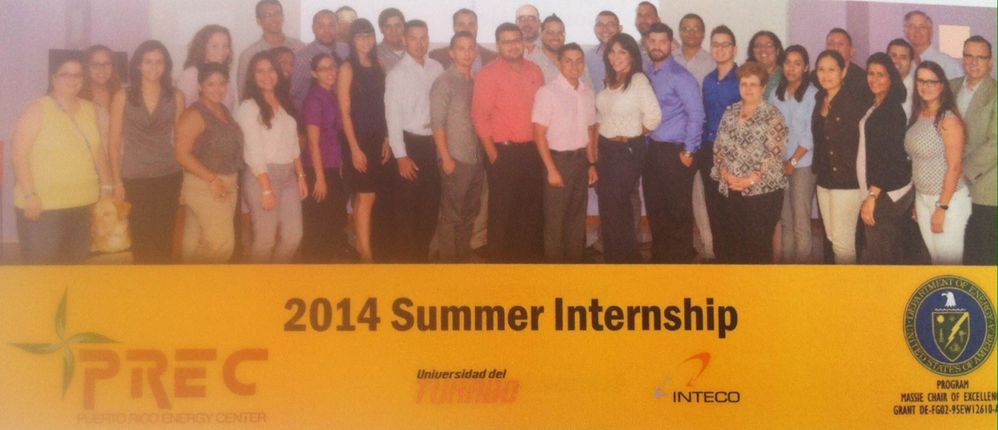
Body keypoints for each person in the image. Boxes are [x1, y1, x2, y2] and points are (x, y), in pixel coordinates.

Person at [12, 54, 114, 264]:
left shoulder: (89, 108)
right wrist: (30, 195)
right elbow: (18, 154)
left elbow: (98, 151)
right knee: (43, 272)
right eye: (65, 74)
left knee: (74, 270)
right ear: (53, 78)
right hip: (44, 206)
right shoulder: (37, 108)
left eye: (77, 75)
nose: (72, 79)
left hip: (83, 203)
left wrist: (107, 187)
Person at [472, 22, 545, 262]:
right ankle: (498, 266)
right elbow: (479, 117)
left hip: (532, 151)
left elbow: (542, 112)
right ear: (498, 45)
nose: (513, 46)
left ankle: (523, 264)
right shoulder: (488, 74)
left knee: (528, 211)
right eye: (506, 42)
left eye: (516, 40)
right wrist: (492, 154)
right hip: (502, 153)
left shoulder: (535, 71)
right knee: (502, 212)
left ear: (523, 42)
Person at [109, 40, 185, 264]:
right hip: (135, 176)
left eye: (159, 62)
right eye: (148, 62)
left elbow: (180, 141)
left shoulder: (176, 96)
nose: (154, 67)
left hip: (169, 175)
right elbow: (113, 143)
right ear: (138, 65)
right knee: (142, 238)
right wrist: (116, 181)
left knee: (164, 238)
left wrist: (185, 179)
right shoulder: (123, 96)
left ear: (166, 65)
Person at [711, 61, 788, 264]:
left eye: (753, 84)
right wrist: (726, 175)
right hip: (732, 188)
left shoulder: (773, 115)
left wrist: (750, 180)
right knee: (736, 245)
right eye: (744, 84)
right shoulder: (730, 111)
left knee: (758, 248)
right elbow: (718, 146)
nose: (748, 89)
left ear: (763, 87)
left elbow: (775, 153)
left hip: (763, 192)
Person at [595, 33, 662, 263]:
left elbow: (654, 116)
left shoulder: (638, 80)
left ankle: (627, 262)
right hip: (606, 150)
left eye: (622, 52)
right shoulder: (609, 81)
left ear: (632, 55)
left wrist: (632, 135)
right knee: (608, 208)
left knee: (618, 208)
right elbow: (602, 116)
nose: (615, 57)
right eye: (612, 52)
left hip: (625, 152)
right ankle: (614, 260)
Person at [643, 23, 705, 263]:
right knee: (655, 209)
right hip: (652, 151)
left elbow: (696, 115)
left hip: (675, 152)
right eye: (653, 41)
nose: (657, 46)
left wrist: (689, 151)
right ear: (647, 43)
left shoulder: (681, 76)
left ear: (671, 44)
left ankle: (680, 263)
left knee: (677, 212)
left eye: (662, 41)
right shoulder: (646, 73)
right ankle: (661, 262)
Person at [238, 51, 307, 263]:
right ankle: (257, 282)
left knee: (294, 236)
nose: (266, 76)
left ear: (278, 73)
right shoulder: (248, 107)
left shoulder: (284, 102)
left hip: (288, 177)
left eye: (271, 70)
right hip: (262, 176)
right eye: (260, 71)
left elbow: (293, 143)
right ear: (252, 76)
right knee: (265, 240)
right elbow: (254, 151)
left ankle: (275, 277)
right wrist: (266, 188)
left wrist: (301, 176)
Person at [385, 20, 445, 262]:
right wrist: (401, 156)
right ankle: (408, 262)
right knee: (408, 209)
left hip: (433, 144)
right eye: (413, 38)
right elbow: (393, 118)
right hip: (410, 145)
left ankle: (421, 257)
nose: (419, 43)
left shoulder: (437, 68)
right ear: (404, 40)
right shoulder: (397, 74)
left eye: (423, 38)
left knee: (430, 206)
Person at [533, 43, 598, 262]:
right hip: (557, 161)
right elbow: (539, 134)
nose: (574, 66)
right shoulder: (547, 92)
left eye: (579, 61)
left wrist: (591, 164)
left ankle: (573, 268)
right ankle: (555, 272)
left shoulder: (587, 93)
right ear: (559, 63)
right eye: (568, 61)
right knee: (555, 220)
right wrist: (551, 170)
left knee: (577, 218)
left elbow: (590, 130)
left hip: (581, 161)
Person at [174, 62, 244, 263]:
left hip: (225, 182)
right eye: (210, 84)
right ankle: (203, 280)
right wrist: (212, 180)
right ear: (200, 86)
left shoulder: (222, 109)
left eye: (222, 83)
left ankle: (190, 281)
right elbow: (181, 154)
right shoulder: (194, 114)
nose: (217, 89)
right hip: (205, 184)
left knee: (194, 242)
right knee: (221, 244)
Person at [906, 61, 970, 265]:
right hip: (922, 198)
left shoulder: (948, 120)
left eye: (931, 82)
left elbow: (955, 167)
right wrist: (918, 202)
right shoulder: (919, 114)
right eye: (921, 81)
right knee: (935, 261)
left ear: (942, 85)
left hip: (948, 201)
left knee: (949, 264)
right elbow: (916, 161)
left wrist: (942, 207)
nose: (925, 86)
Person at [812, 50, 870, 265]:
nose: (826, 75)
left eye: (832, 70)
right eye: (821, 69)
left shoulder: (854, 102)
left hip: (847, 181)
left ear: (843, 72)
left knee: (843, 244)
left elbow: (863, 143)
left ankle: (847, 285)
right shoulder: (820, 98)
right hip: (824, 179)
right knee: (831, 238)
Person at [339, 18, 389, 263]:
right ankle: (367, 254)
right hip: (357, 140)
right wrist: (354, 148)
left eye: (369, 35)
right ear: (352, 40)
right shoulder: (347, 68)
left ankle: (361, 244)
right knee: (366, 195)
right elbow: (344, 111)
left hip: (377, 137)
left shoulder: (379, 64)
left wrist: (386, 137)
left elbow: (384, 105)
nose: (366, 40)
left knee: (366, 196)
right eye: (360, 36)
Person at [432, 32, 484, 262]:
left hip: (475, 159)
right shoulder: (444, 82)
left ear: (476, 51)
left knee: (469, 212)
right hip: (455, 159)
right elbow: (437, 123)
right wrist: (446, 158)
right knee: (450, 215)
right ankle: (448, 263)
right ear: (451, 53)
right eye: (461, 48)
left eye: (471, 48)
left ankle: (463, 257)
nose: (467, 53)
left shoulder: (475, 81)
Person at [857, 53, 913, 265]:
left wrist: (872, 196)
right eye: (870, 73)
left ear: (891, 78)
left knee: (881, 255)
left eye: (881, 75)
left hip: (885, 193)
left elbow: (888, 157)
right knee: (886, 251)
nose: (874, 79)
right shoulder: (878, 104)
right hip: (880, 190)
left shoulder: (891, 111)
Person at [771, 45, 818, 264]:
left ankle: (803, 270)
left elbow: (810, 133)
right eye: (788, 62)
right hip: (780, 163)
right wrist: (779, 160)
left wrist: (793, 160)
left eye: (797, 63)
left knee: (801, 222)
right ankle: (787, 267)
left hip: (803, 165)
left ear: (806, 67)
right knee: (786, 220)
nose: (791, 68)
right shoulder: (776, 93)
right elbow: (773, 129)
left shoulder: (812, 94)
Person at [952, 36, 997, 265]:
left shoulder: (995, 92)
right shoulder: (950, 86)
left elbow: (995, 142)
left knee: (981, 255)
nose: (973, 62)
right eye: (969, 56)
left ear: (990, 62)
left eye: (980, 57)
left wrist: (962, 171)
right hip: (949, 186)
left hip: (984, 189)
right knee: (952, 251)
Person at [300, 53, 349, 263]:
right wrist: (320, 178)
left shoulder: (332, 95)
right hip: (317, 169)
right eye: (323, 68)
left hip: (332, 167)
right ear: (314, 73)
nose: (330, 71)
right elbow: (313, 142)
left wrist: (340, 162)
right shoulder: (314, 99)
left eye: (332, 66)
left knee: (334, 218)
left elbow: (335, 134)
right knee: (318, 223)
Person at [700, 25, 741, 262]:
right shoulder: (708, 80)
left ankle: (736, 262)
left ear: (734, 49)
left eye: (725, 45)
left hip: (734, 152)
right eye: (715, 44)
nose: (720, 49)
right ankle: (721, 260)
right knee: (714, 207)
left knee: (733, 208)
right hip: (709, 150)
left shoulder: (743, 79)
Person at [236, 0, 305, 98]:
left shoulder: (300, 48)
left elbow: (307, 82)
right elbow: (243, 92)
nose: (274, 19)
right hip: (263, 106)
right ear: (259, 21)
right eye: (267, 15)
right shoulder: (249, 54)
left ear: (283, 17)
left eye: (277, 14)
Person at [290, 10, 350, 110]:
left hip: (346, 111)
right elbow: (295, 94)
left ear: (337, 27)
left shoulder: (346, 50)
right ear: (313, 28)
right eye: (321, 26)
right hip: (317, 113)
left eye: (331, 25)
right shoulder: (303, 57)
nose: (327, 30)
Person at [177, 25, 236, 111]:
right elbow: (183, 111)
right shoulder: (191, 75)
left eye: (225, 46)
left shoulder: (228, 74)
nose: (221, 51)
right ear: (202, 48)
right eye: (214, 46)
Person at [80, 45, 122, 162]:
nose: (102, 69)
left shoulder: (121, 95)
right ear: (87, 67)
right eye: (95, 64)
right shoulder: (78, 97)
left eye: (106, 64)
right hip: (90, 163)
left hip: (120, 162)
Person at [527, 15, 593, 88]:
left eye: (560, 33)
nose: (556, 37)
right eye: (550, 33)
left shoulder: (576, 58)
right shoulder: (532, 60)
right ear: (541, 33)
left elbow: (588, 88)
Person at [429, 8, 498, 76]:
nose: (466, 29)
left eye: (471, 25)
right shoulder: (437, 57)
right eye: (461, 25)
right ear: (454, 28)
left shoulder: (493, 58)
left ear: (476, 27)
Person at [904, 10, 963, 80]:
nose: (917, 31)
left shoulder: (948, 65)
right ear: (906, 32)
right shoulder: (902, 65)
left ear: (931, 32)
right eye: (912, 27)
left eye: (922, 27)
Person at [824, 28, 872, 102]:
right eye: (831, 44)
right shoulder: (816, 76)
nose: (835, 48)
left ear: (851, 50)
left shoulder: (862, 79)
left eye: (841, 44)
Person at [674, 13, 715, 87]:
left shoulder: (712, 63)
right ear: (680, 33)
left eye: (696, 29)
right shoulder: (669, 59)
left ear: (703, 34)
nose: (691, 32)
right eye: (686, 28)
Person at [587, 11, 622, 93]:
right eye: (600, 25)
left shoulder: (633, 55)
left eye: (610, 25)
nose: (605, 29)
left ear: (620, 28)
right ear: (595, 29)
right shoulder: (588, 57)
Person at [746, 31, 783, 99]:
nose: (763, 49)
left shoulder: (785, 76)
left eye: (768, 45)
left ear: (777, 51)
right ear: (753, 51)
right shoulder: (745, 75)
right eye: (758, 45)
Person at [888, 38, 916, 119]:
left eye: (903, 57)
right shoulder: (878, 86)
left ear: (911, 63)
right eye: (893, 56)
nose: (897, 61)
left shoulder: (915, 93)